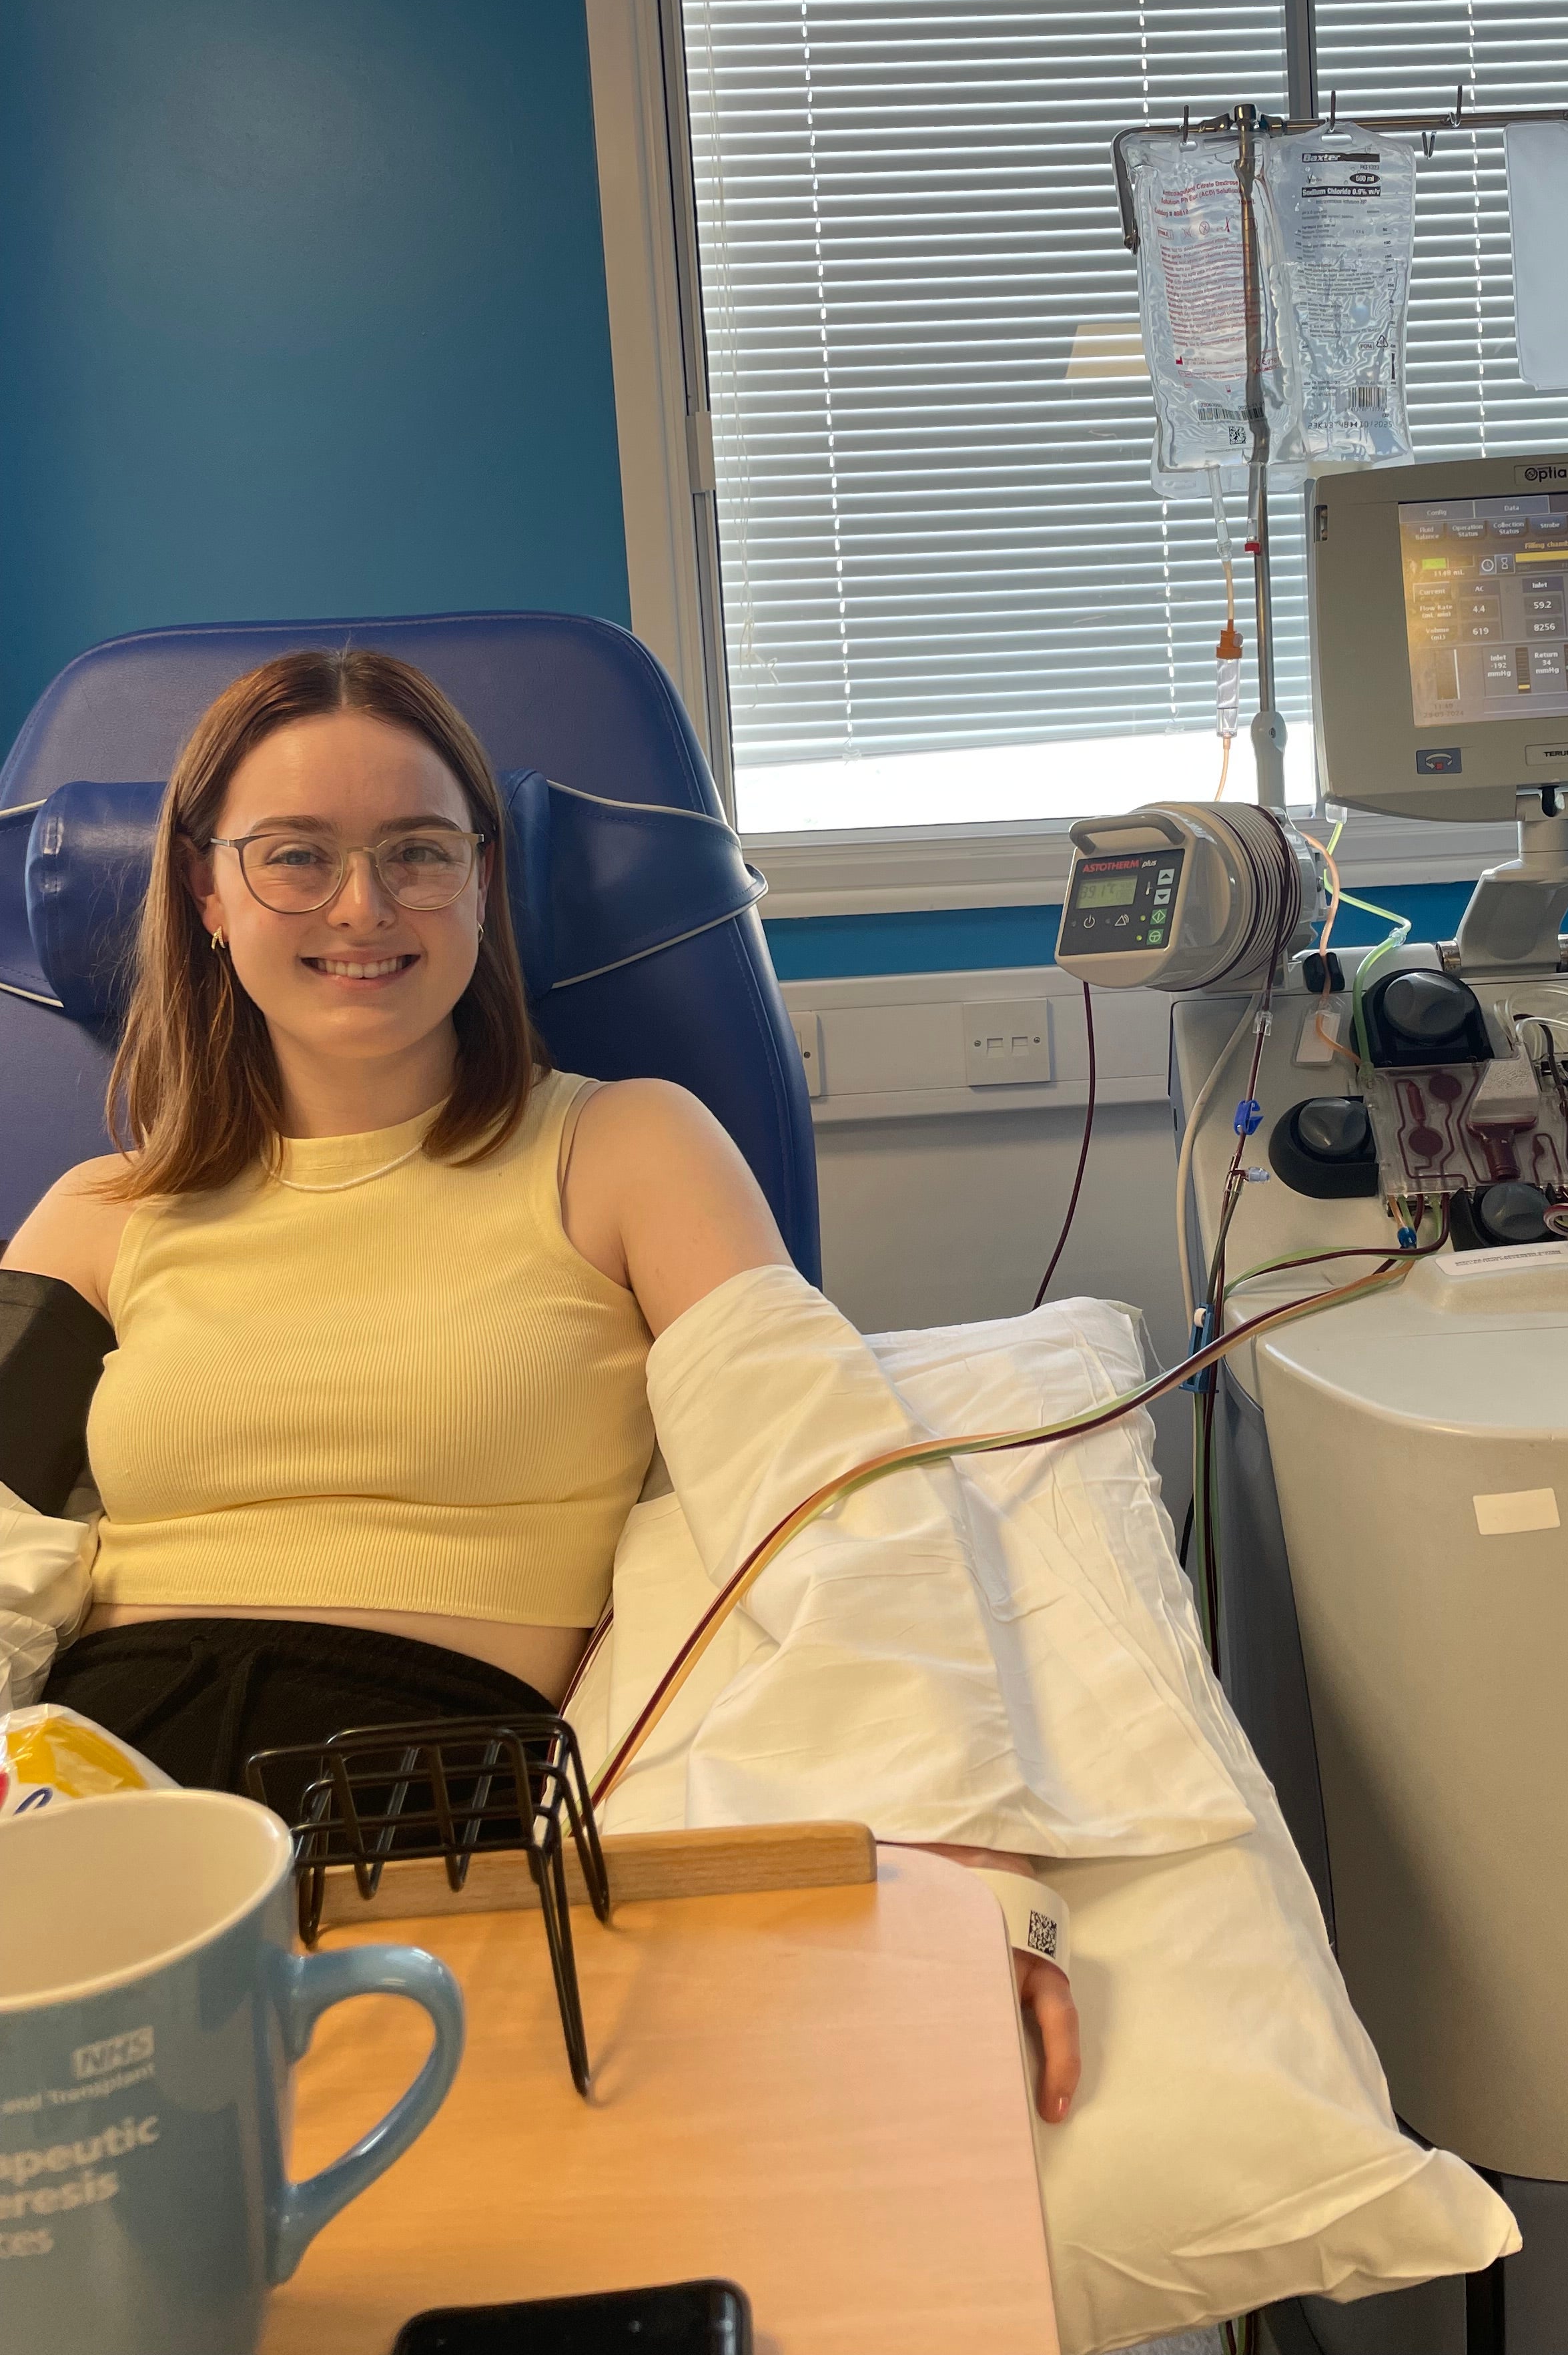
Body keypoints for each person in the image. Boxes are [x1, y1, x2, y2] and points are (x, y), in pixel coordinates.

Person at [1, 649, 1080, 2118]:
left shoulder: (627, 1150)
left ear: (487, 883)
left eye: (418, 855)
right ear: (206, 892)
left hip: (418, 1803)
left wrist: (971, 1873)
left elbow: (825, 1490)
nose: (364, 908)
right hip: (94, 1792)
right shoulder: (100, 1211)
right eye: (295, 859)